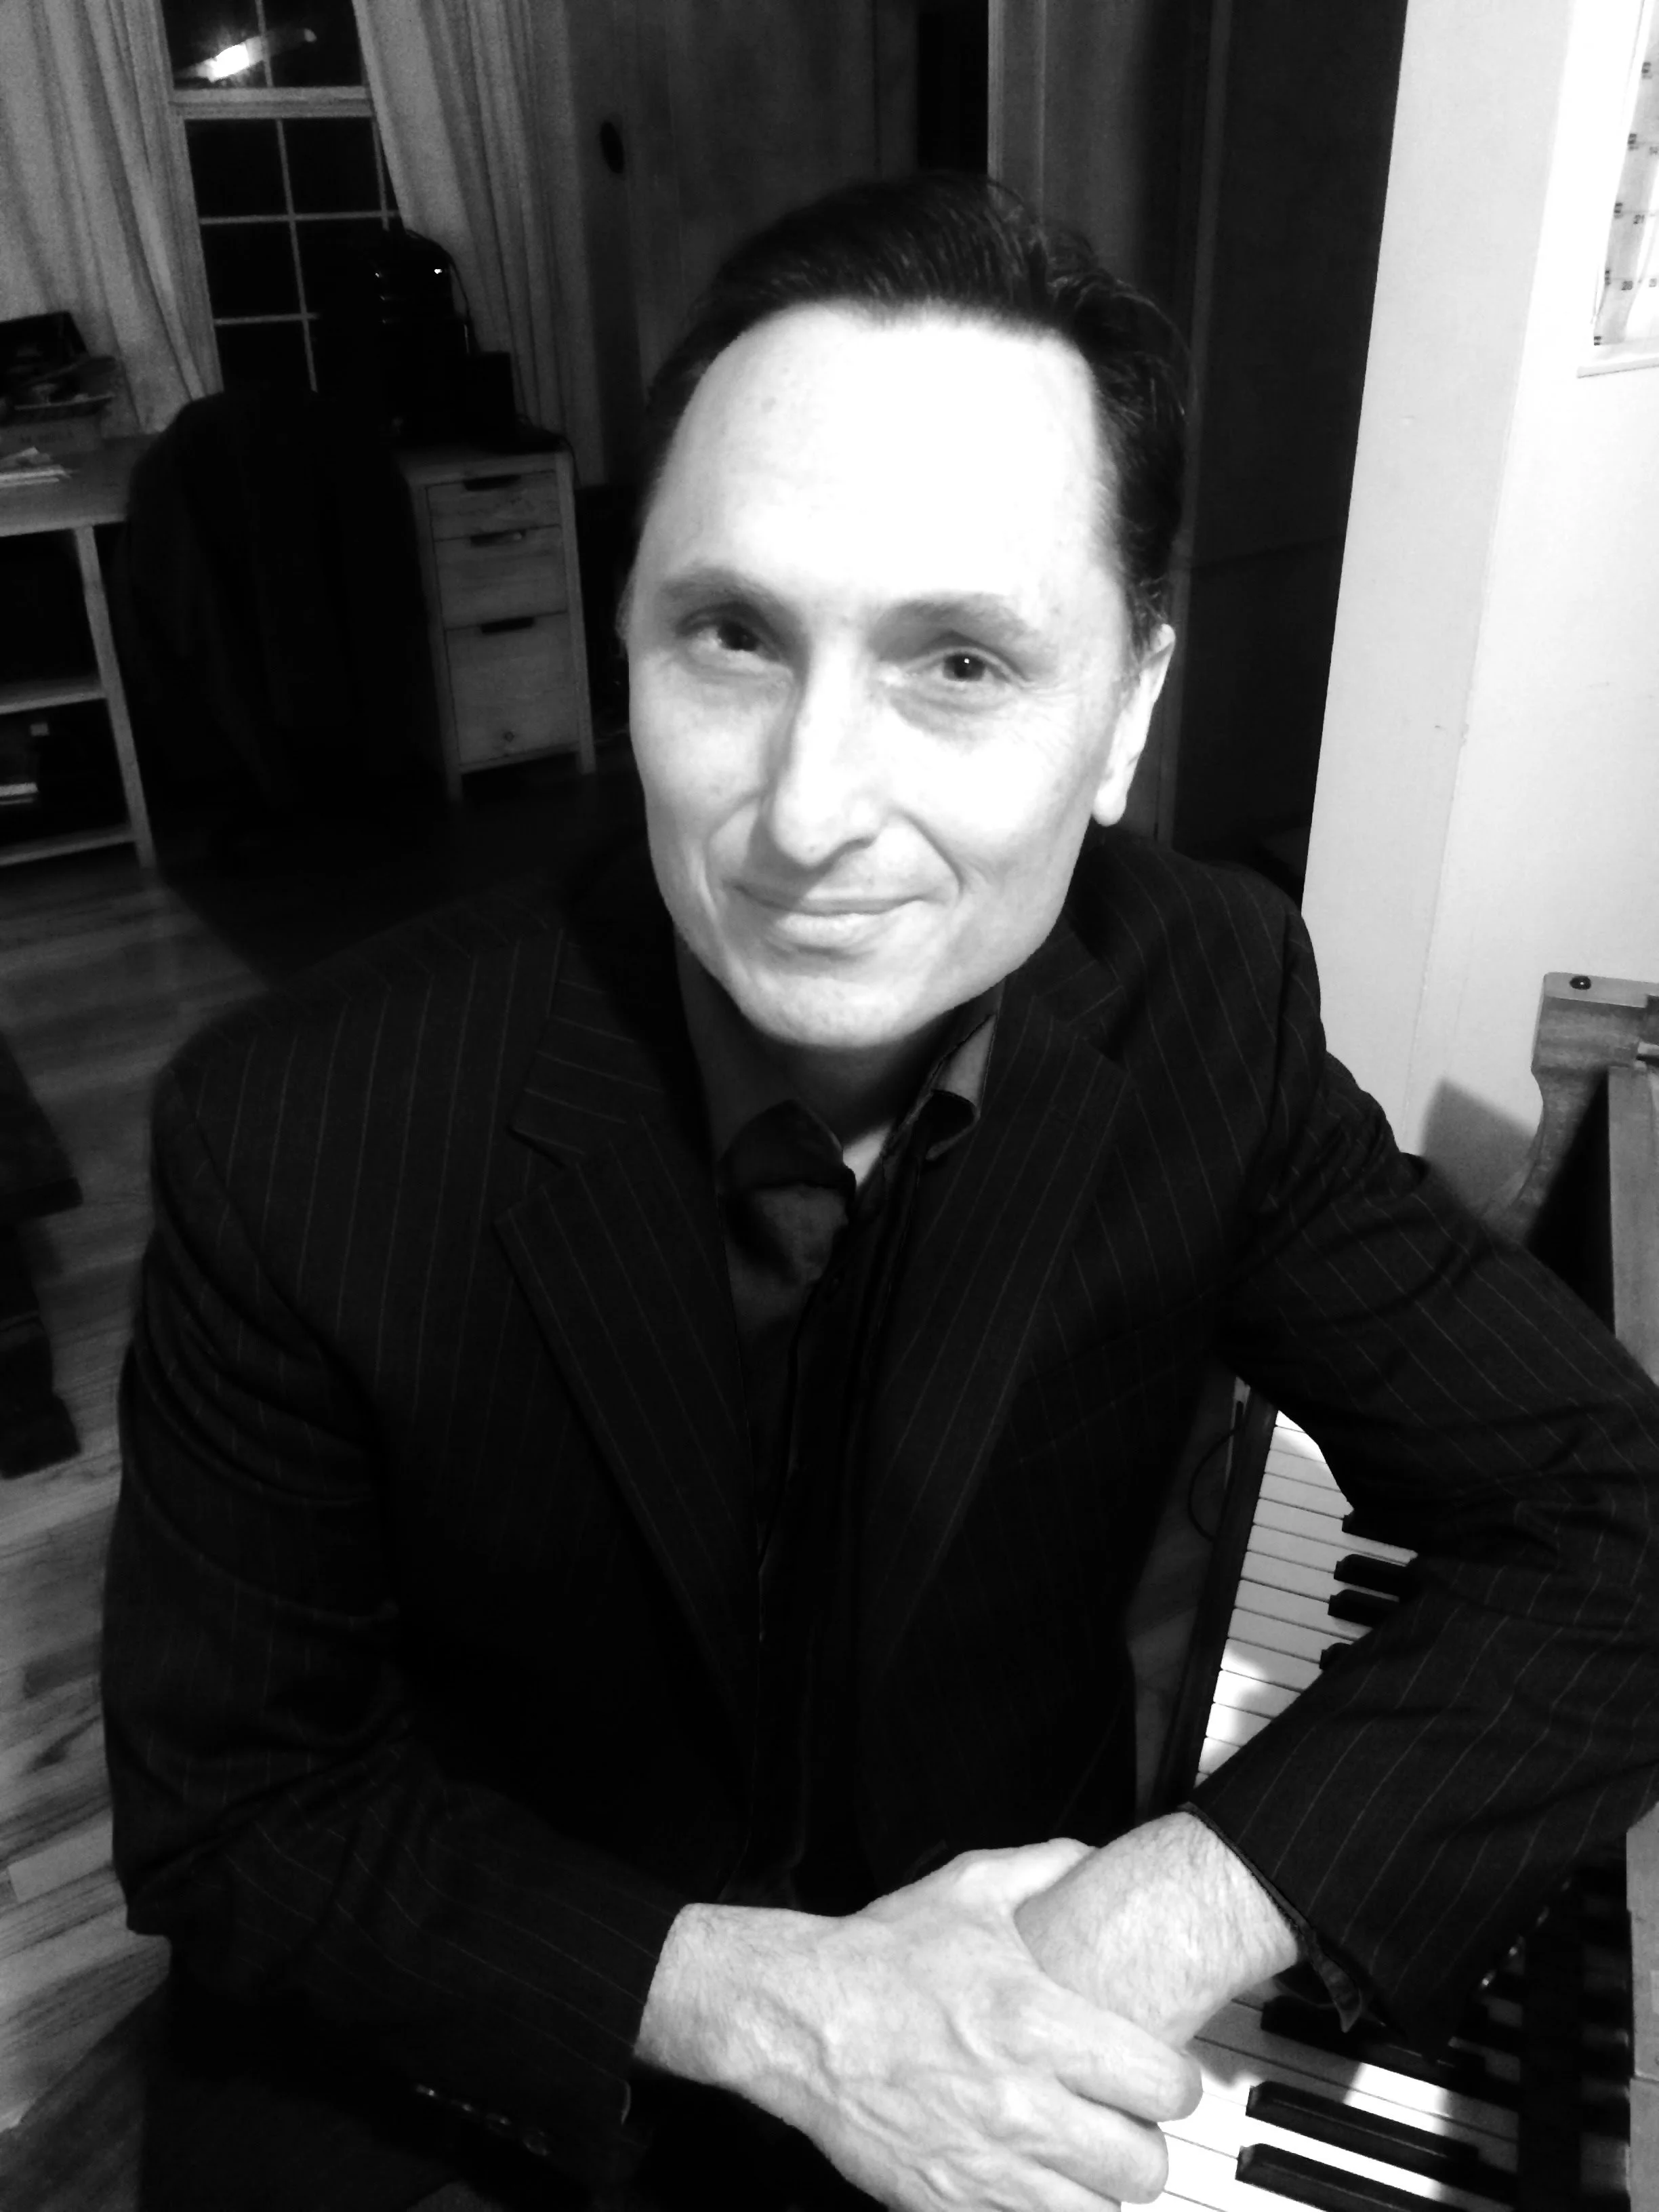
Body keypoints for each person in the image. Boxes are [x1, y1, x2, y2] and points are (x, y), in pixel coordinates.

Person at [104, 173, 1659, 2212]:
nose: (808, 811)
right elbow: (238, 1815)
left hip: (1010, 1969)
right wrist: (771, 2009)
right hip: (489, 2041)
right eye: (733, 634)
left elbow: (1613, 1517)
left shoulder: (1206, 1004)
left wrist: (1158, 1917)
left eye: (962, 664)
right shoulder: (299, 1126)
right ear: (628, 640)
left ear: (1131, 712)